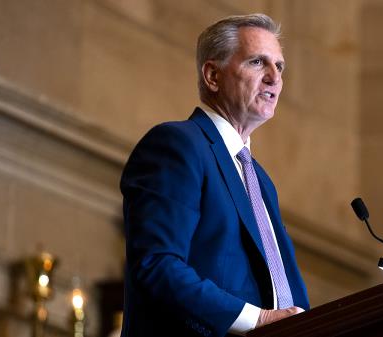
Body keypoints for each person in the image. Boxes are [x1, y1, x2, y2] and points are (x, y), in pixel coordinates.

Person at [120, 14, 309, 337]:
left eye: (280, 67)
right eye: (257, 62)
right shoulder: (177, 145)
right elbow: (157, 265)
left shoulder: (260, 180)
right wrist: (259, 320)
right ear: (212, 75)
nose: (274, 78)